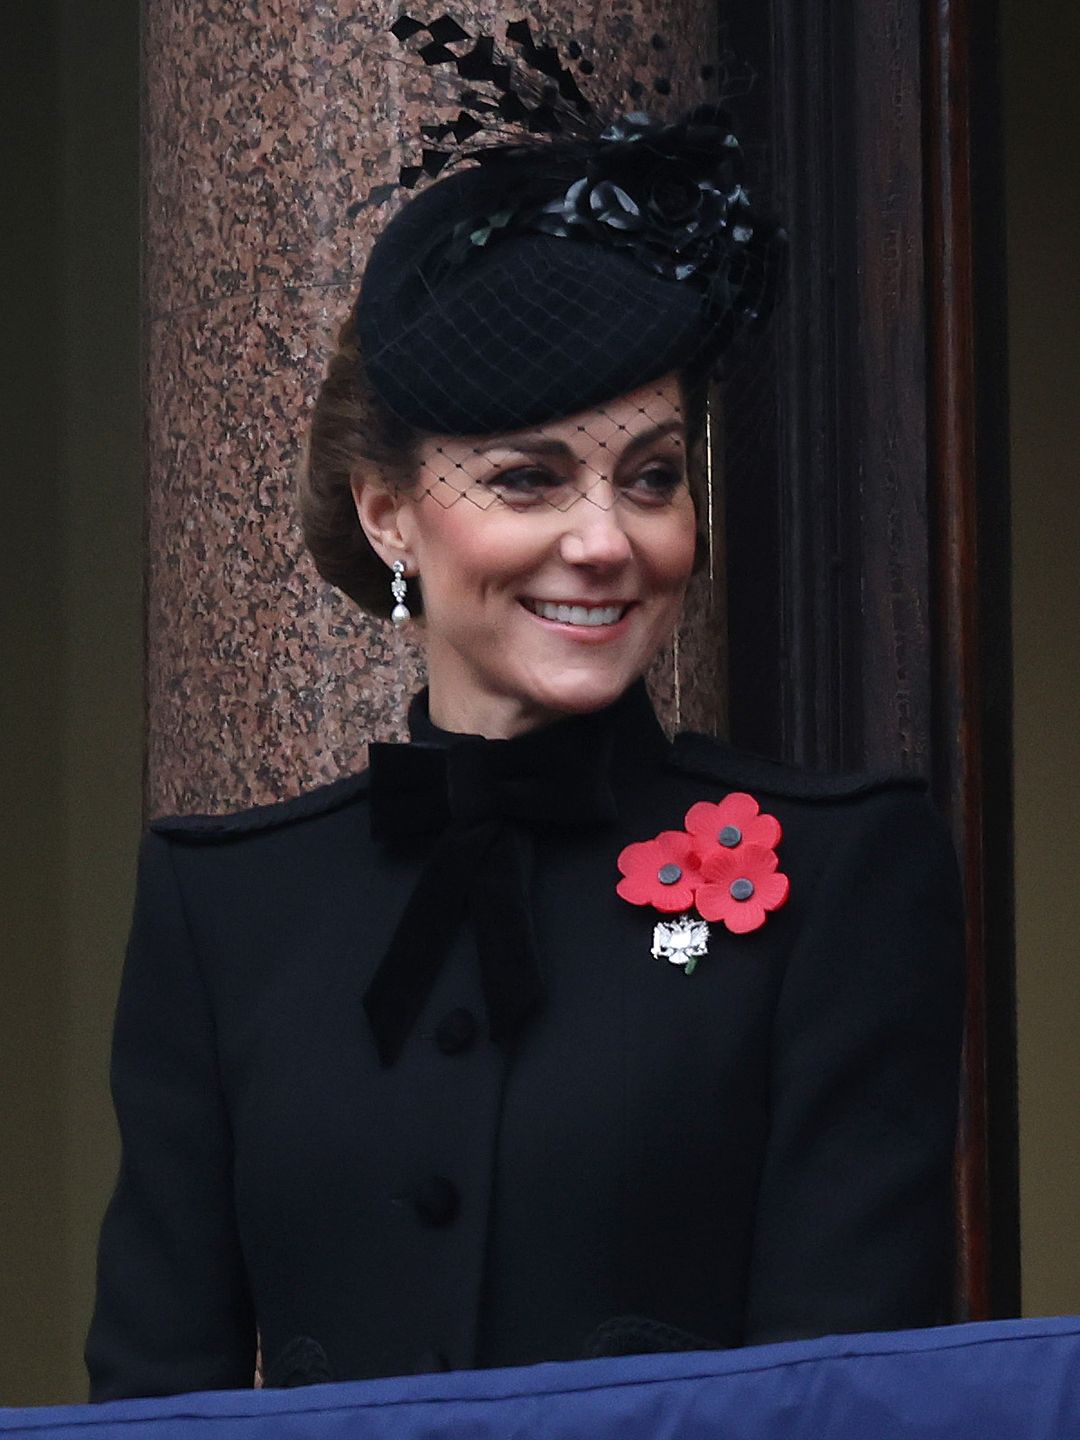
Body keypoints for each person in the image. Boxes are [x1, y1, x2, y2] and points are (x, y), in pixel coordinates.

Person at [86, 20, 964, 1400]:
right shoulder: (227, 910)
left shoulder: (844, 878)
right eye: (528, 479)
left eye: (654, 476)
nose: (607, 540)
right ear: (389, 517)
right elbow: (151, 1401)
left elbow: (847, 1398)